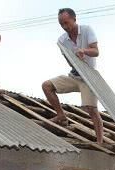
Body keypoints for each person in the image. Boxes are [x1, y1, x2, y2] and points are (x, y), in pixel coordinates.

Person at [42, 8, 104, 144]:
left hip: (89, 78)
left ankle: (100, 140)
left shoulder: (87, 30)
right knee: (47, 86)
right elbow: (69, 61)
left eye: (66, 23)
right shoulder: (62, 40)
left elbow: (96, 51)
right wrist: (75, 62)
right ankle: (61, 115)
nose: (65, 27)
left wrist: (84, 51)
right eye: (61, 24)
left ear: (74, 19)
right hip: (74, 75)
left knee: (91, 109)